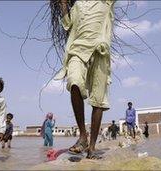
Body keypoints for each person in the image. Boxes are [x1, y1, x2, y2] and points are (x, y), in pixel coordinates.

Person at [52, 0, 116, 159]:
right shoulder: (78, 5)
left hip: (100, 52)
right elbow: (67, 24)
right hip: (78, 49)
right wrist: (63, 4)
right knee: (74, 82)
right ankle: (82, 136)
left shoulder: (106, 2)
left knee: (98, 100)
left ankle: (92, 147)